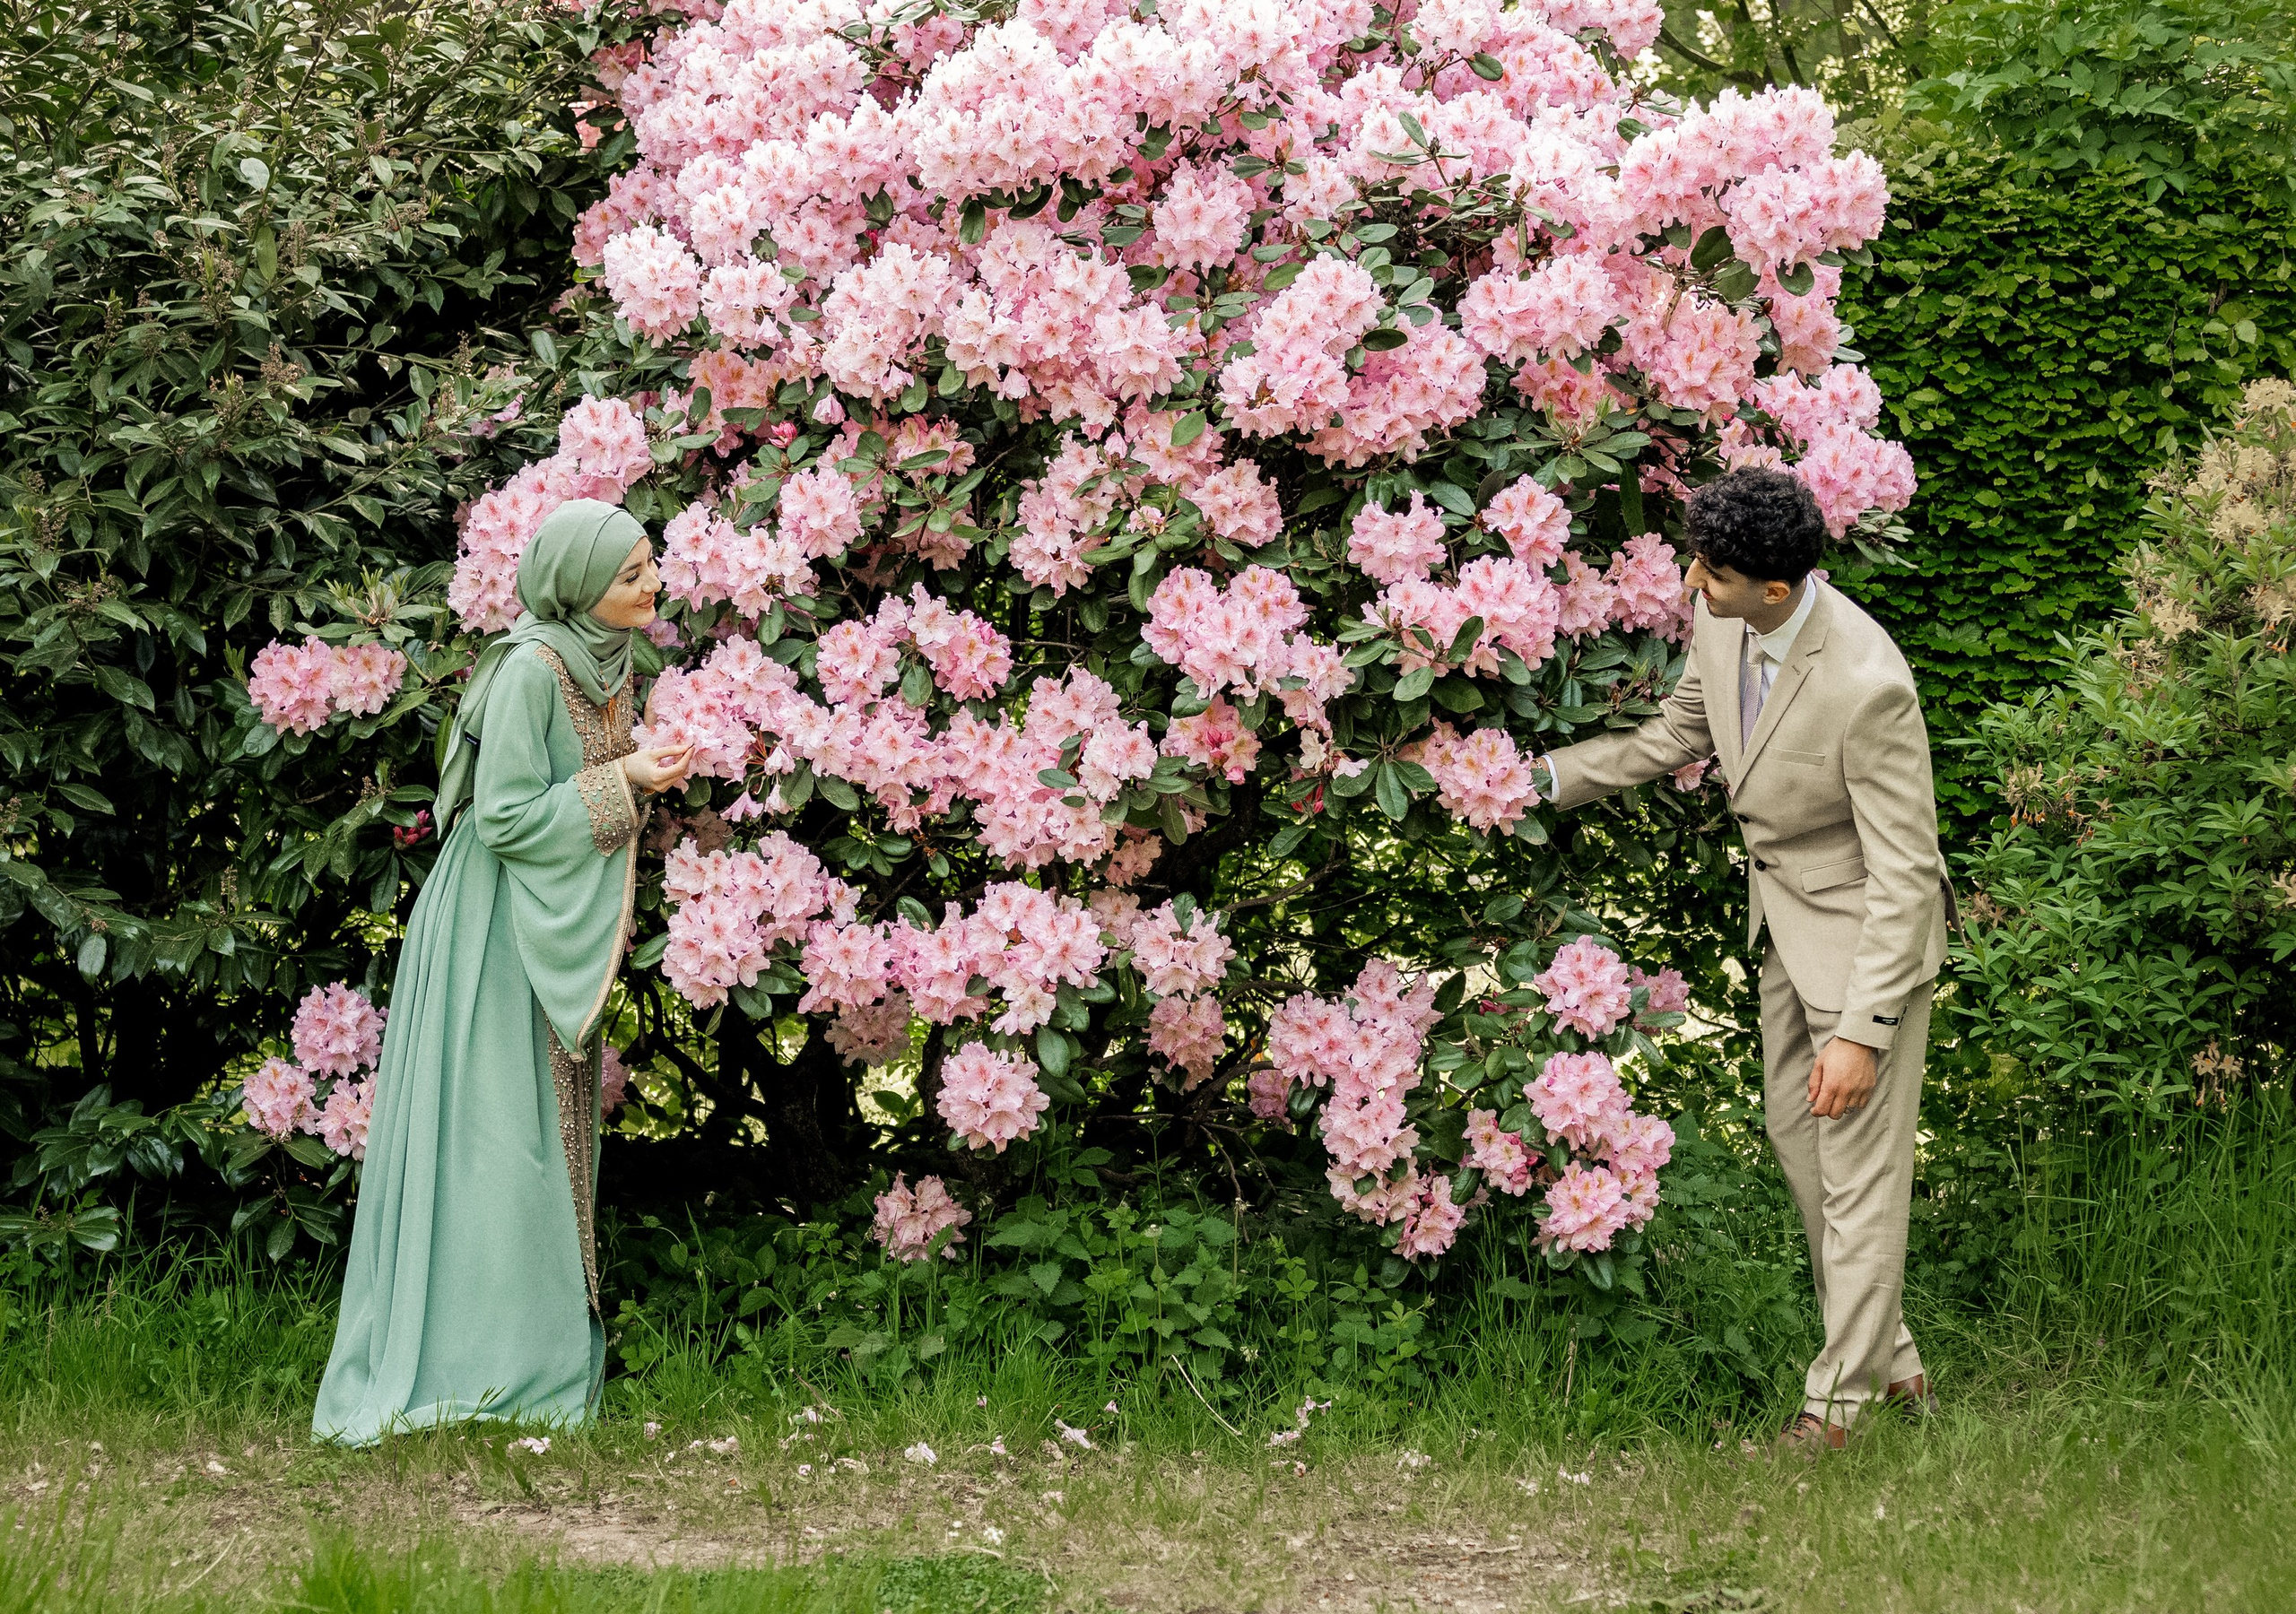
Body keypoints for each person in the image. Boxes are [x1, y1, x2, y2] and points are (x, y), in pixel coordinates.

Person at [1536, 468, 1950, 1453]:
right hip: (1783, 931)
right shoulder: (1727, 618)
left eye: (1711, 574)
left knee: (1856, 1178)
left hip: (1865, 959)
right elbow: (1683, 730)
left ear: (1776, 587)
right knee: (1804, 1158)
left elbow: (1906, 876)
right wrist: (1539, 779)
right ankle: (1896, 1369)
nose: (1690, 586)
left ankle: (1834, 1412)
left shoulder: (1867, 687)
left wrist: (1863, 1031)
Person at [313, 499, 693, 1445]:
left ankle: (524, 1356)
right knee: (493, 1143)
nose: (651, 584)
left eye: (649, 564)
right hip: (491, 927)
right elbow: (506, 818)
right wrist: (629, 780)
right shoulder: (530, 670)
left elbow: (575, 789)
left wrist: (638, 765)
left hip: (539, 915)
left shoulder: (606, 658)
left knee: (535, 1136)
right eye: (630, 574)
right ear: (574, 586)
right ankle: (474, 1367)